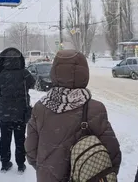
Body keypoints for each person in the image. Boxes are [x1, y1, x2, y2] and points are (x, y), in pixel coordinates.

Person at [25, 49, 122, 182]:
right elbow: (113, 153)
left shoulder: (40, 107)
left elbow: (30, 150)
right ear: (84, 74)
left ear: (54, 72)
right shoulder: (95, 109)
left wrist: (46, 169)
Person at [0, 47, 35, 173]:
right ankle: (21, 164)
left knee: (5, 138)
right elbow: (33, 83)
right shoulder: (25, 73)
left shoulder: (1, 76)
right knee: (20, 138)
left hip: (4, 113)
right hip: (20, 113)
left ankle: (5, 163)